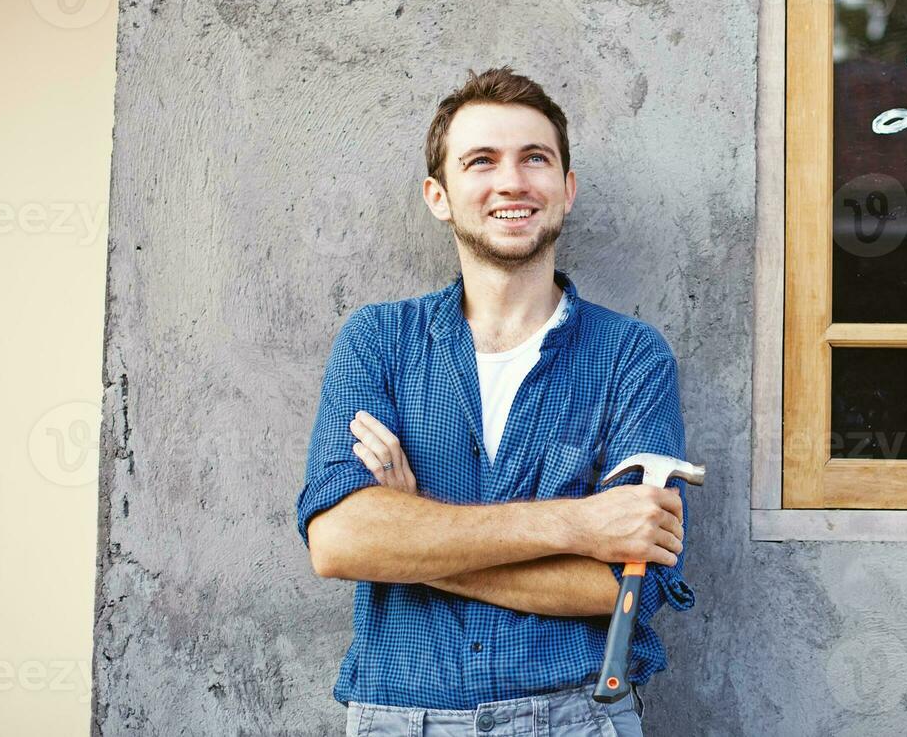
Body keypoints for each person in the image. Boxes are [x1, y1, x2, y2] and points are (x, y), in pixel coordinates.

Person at [296, 67, 693, 737]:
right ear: (439, 195)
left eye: (534, 159)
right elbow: (339, 542)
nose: (512, 181)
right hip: (400, 719)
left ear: (565, 190)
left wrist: (413, 533)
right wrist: (577, 526)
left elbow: (624, 589)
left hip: (577, 717)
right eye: (481, 161)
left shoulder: (632, 356)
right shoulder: (379, 342)